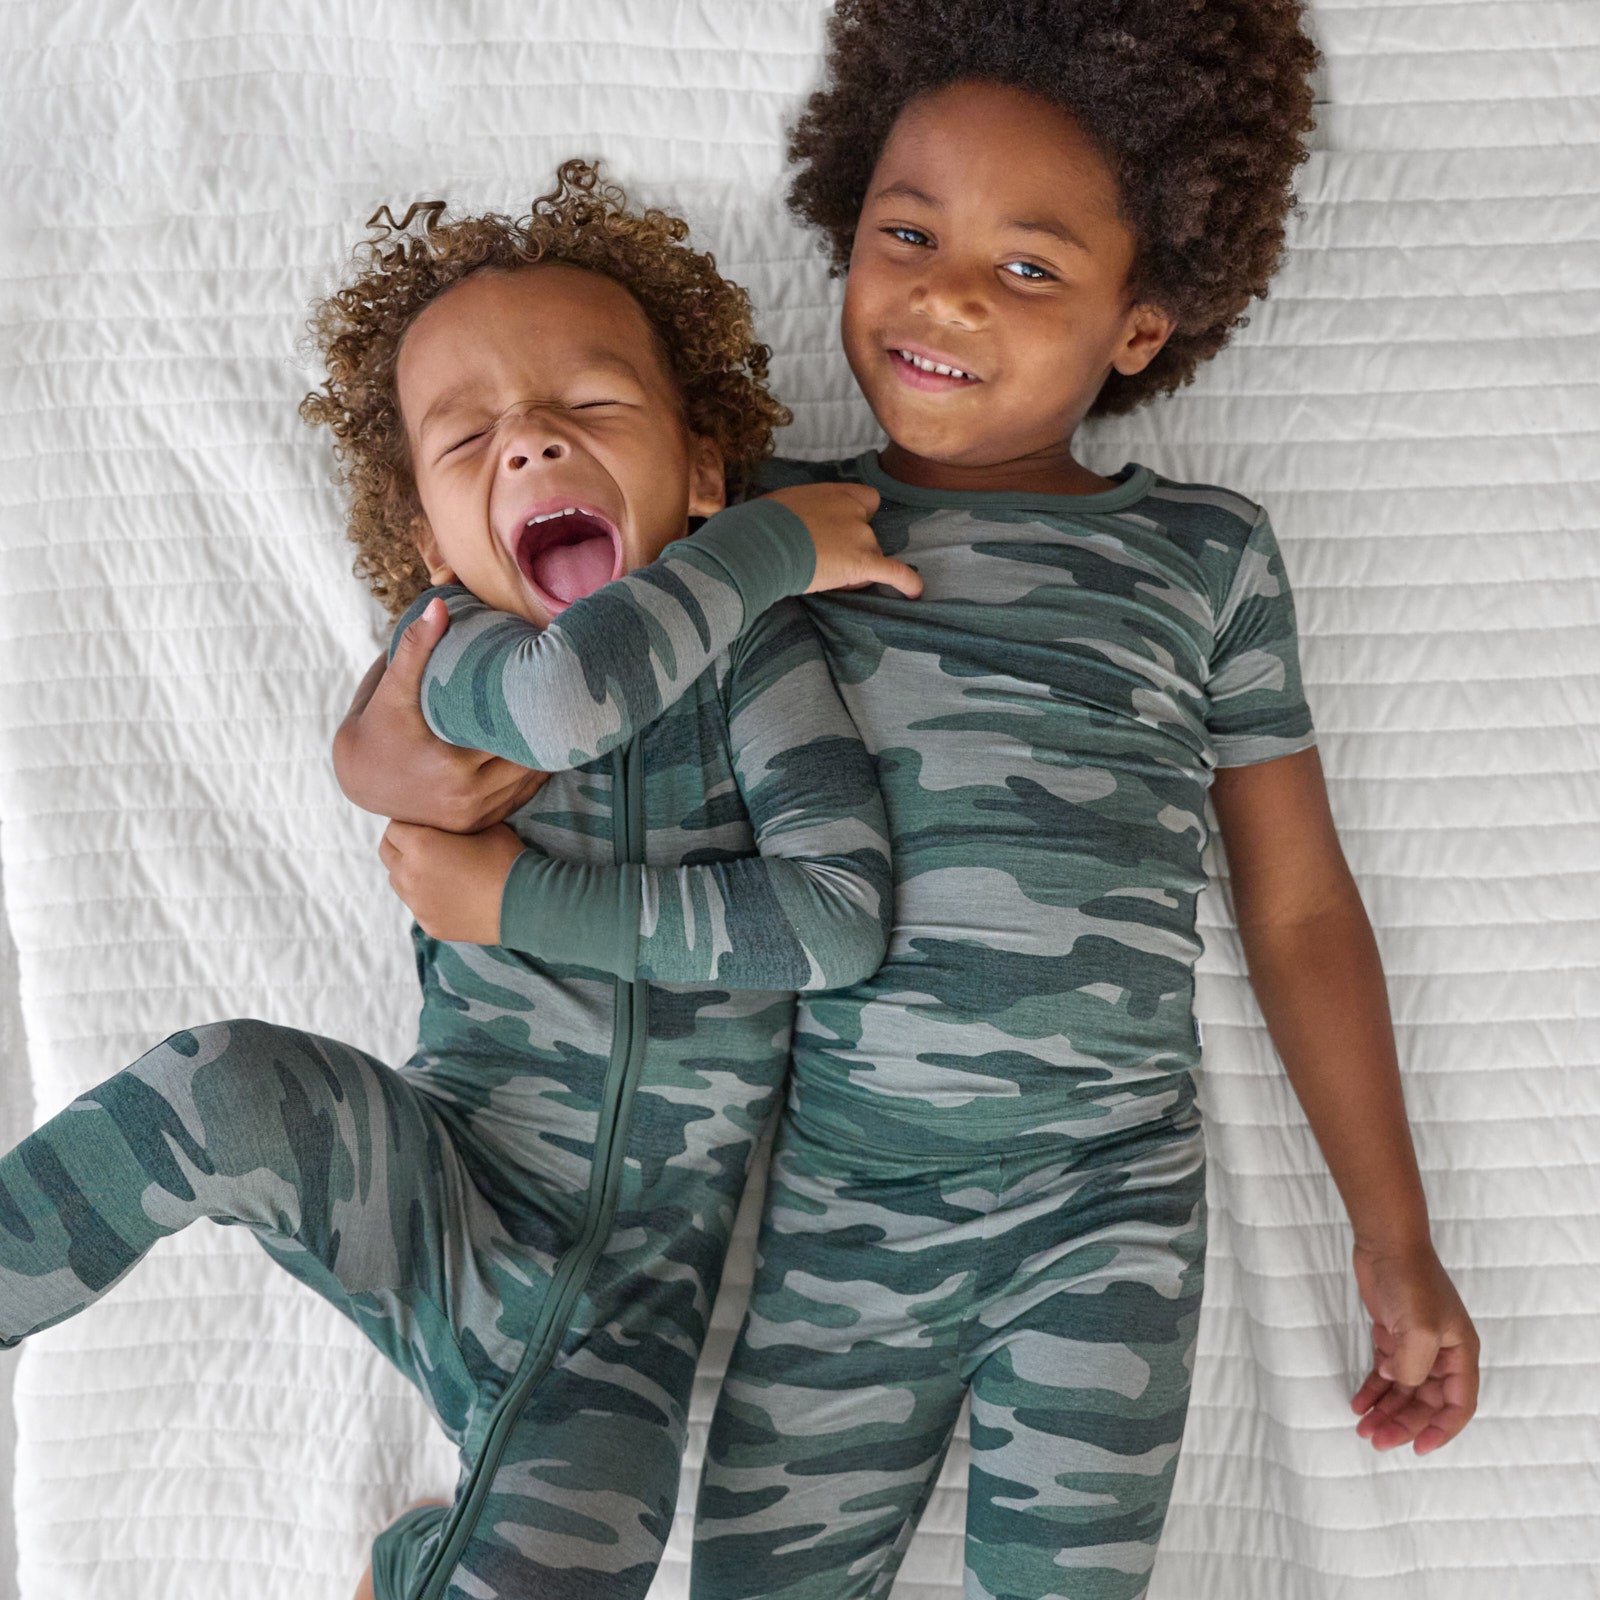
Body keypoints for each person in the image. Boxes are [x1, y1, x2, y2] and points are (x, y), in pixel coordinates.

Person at [335, 6, 1482, 1599]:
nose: (947, 289)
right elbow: (507, 678)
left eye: (1030, 266)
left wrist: (1393, 1232)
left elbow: (1294, 908)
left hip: (1112, 1204)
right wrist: (376, 768)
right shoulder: (754, 532)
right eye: (910, 232)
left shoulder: (1206, 559)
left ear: (1139, 327)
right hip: (840, 1205)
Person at [0, 161, 915, 1600]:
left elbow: (834, 922)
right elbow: (572, 706)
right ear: (429, 537)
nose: (534, 444)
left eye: (592, 406)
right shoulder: (463, 651)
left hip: (631, 1318)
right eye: (470, 436)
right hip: (440, 1189)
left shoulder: (761, 655)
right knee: (219, 1085)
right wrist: (776, 541)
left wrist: (511, 906)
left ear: (702, 467)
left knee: (572, 1553)